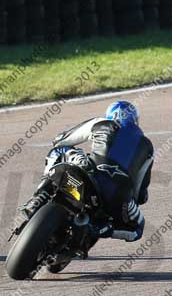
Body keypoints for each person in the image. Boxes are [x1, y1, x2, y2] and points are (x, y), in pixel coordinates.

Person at [21, 100, 154, 243]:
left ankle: (40, 196)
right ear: (135, 120)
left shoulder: (100, 123)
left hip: (90, 172)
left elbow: (60, 140)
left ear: (110, 115)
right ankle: (99, 229)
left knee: (58, 150)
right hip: (119, 194)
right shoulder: (148, 147)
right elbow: (140, 194)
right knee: (137, 229)